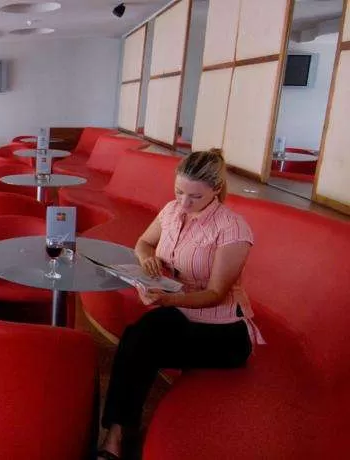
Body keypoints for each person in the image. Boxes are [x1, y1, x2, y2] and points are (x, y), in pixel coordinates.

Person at [97, 150, 263, 460]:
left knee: (141, 345)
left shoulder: (232, 228)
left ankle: (117, 437)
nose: (184, 203)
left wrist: (168, 299)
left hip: (224, 331)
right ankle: (115, 435)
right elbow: (144, 243)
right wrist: (147, 260)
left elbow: (215, 293)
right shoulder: (171, 211)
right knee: (136, 336)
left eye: (195, 196)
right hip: (181, 311)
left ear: (216, 189)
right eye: (179, 192)